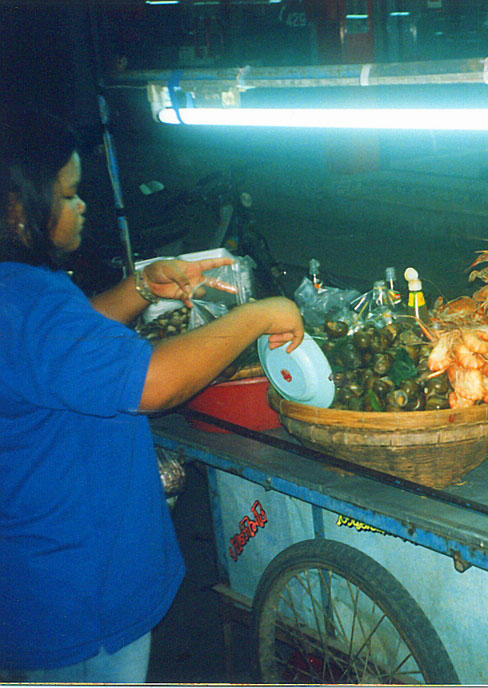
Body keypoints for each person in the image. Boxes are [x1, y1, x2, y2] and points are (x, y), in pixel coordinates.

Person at [0, 109, 304, 683]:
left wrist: (141, 287)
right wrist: (257, 315)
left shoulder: (19, 295)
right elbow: (153, 384)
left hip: (42, 579)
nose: (82, 204)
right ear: (17, 209)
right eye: (67, 195)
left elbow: (56, 353)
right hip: (77, 599)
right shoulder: (28, 305)